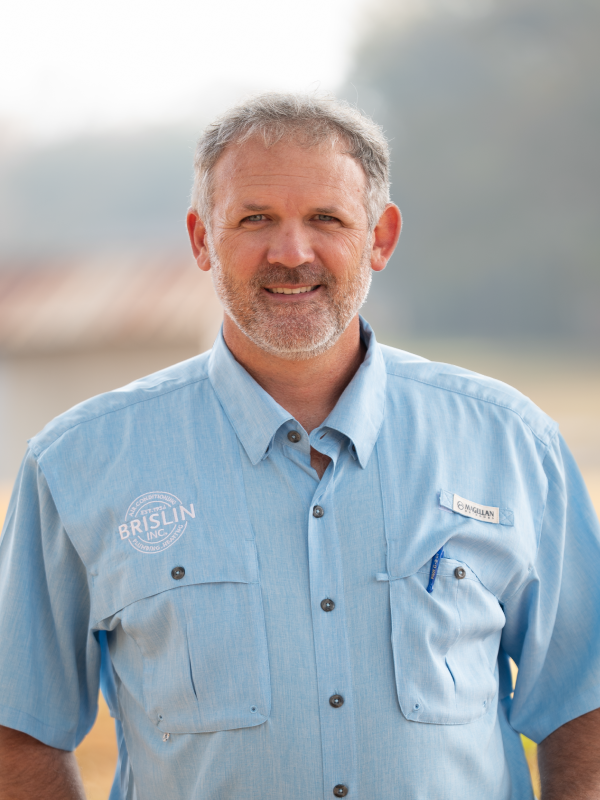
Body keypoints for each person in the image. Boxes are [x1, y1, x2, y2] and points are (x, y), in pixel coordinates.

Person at [0, 93, 599, 800]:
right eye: (256, 219)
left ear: (380, 236)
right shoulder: (76, 462)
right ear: (200, 239)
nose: (291, 253)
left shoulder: (513, 444)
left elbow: (582, 706)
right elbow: (20, 730)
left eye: (326, 219)